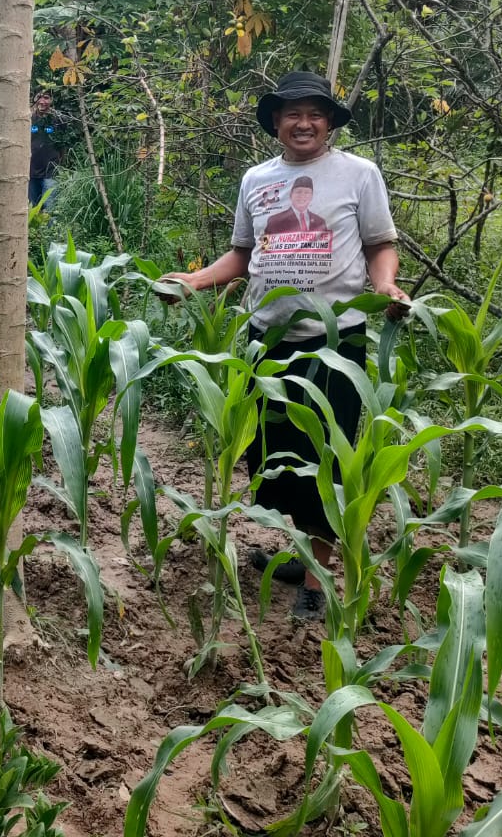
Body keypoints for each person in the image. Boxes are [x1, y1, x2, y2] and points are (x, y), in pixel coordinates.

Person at [160, 70, 408, 621]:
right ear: (275, 122)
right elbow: (243, 257)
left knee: (326, 458)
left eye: (315, 113)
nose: (304, 122)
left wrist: (386, 285)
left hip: (334, 341)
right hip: (265, 341)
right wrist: (195, 280)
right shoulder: (257, 180)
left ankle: (317, 584)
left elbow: (379, 243)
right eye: (293, 113)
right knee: (279, 458)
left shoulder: (358, 175)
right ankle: (304, 552)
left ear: (329, 122)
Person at [29, 92, 63, 209]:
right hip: (30, 171)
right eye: (39, 97)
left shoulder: (58, 119)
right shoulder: (28, 119)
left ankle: (50, 228)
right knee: (32, 208)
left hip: (51, 172)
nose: (42, 101)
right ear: (34, 99)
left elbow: (64, 144)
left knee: (50, 208)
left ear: (52, 100)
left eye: (46, 97)